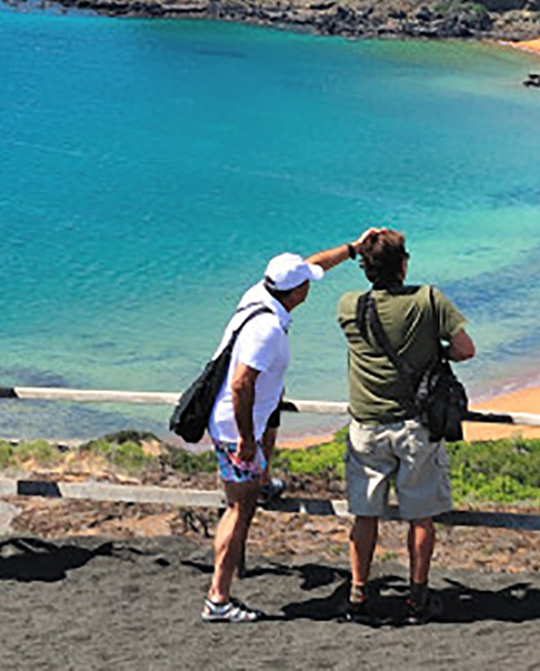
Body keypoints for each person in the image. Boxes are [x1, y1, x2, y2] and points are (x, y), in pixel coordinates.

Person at [199, 234, 367, 623]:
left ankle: (264, 480)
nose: (311, 281)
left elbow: (315, 264)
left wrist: (353, 249)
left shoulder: (261, 291)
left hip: (239, 420)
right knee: (238, 510)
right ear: (297, 291)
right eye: (306, 281)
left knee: (243, 499)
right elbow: (242, 384)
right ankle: (218, 599)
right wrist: (245, 440)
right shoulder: (268, 329)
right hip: (235, 428)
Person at [335, 228, 475, 623]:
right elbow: (465, 349)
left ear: (365, 268)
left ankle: (359, 594)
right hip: (415, 424)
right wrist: (434, 351)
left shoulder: (348, 306)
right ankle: (417, 597)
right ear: (404, 264)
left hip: (366, 424)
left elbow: (309, 270)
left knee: (365, 516)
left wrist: (351, 249)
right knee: (420, 516)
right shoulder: (429, 299)